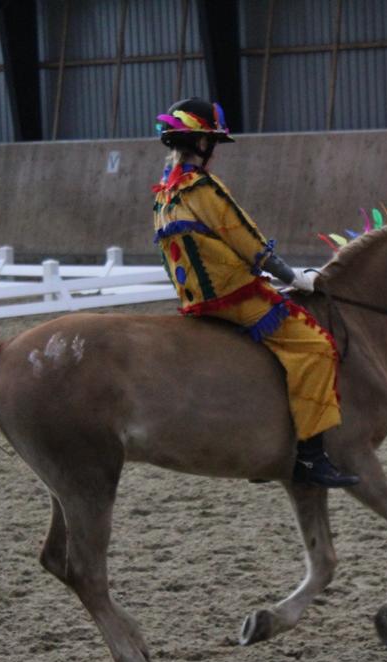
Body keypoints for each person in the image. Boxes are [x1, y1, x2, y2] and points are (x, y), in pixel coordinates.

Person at [152, 97, 359, 488]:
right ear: (200, 144)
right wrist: (293, 277)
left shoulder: (164, 195)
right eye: (211, 143)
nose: (213, 153)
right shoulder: (203, 188)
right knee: (316, 346)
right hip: (233, 298)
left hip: (194, 301)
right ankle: (312, 458)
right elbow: (246, 240)